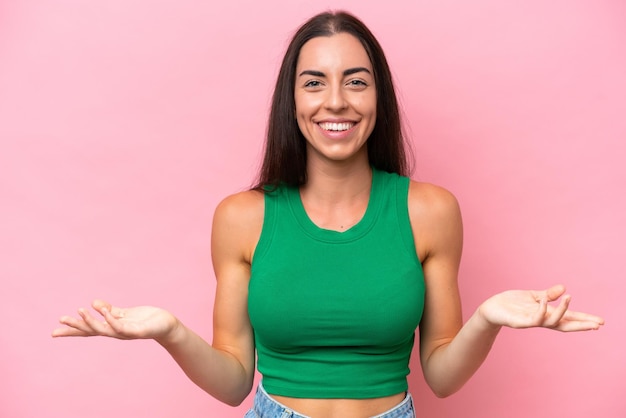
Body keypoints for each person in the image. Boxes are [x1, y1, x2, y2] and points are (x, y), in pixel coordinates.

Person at [52, 10, 604, 418]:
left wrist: (487, 319)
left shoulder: (430, 210)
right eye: (313, 82)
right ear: (291, 102)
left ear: (377, 97)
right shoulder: (242, 217)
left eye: (355, 82)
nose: (335, 102)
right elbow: (232, 382)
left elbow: (441, 375)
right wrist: (170, 332)